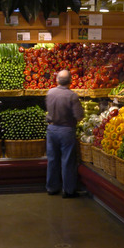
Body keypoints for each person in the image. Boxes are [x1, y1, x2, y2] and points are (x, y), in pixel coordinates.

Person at [45, 69, 85, 198]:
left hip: (51, 130)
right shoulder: (72, 96)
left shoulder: (50, 93)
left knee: (52, 160)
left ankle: (52, 188)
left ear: (57, 80)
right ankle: (68, 190)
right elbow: (79, 116)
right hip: (66, 131)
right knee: (67, 161)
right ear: (71, 81)